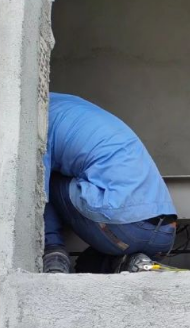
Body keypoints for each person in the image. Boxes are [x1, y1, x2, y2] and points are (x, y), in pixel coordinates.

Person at [43, 93, 177, 274]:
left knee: (39, 178)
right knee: (87, 264)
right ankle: (132, 262)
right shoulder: (71, 106)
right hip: (165, 234)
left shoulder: (38, 117)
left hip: (122, 228)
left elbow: (36, 192)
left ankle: (53, 253)